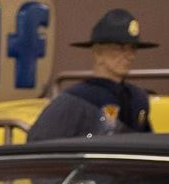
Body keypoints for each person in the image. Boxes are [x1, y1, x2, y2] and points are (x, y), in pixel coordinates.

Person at [29, 9, 155, 142]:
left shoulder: (137, 99)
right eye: (120, 48)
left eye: (132, 49)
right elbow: (39, 143)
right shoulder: (75, 100)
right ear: (97, 53)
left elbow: (147, 144)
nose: (129, 56)